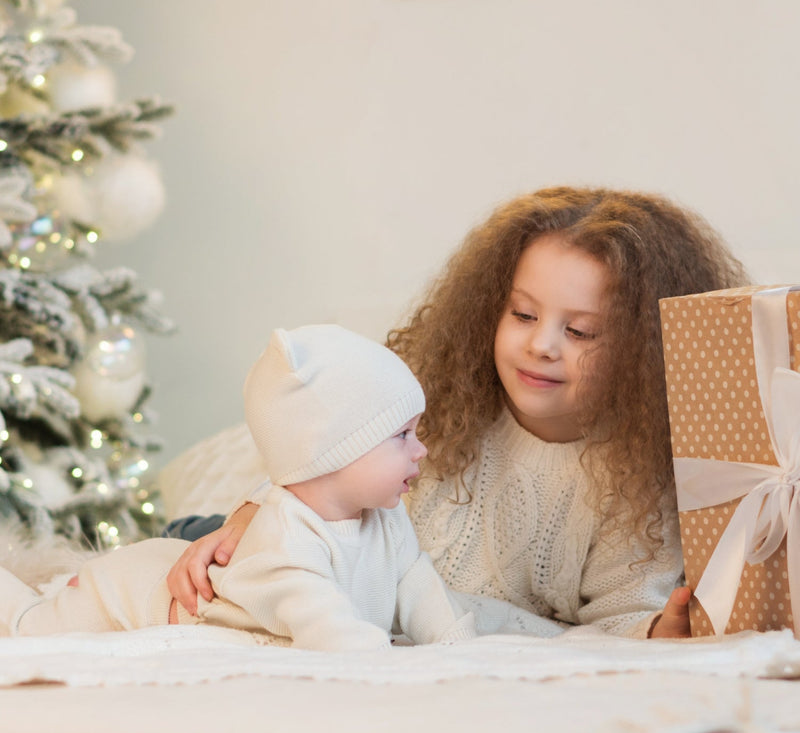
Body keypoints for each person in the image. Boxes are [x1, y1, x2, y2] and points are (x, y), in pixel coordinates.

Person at [166, 186, 748, 639]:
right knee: (172, 549)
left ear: (643, 351)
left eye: (580, 330)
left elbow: (621, 614)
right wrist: (249, 513)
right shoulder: (436, 397)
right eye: (522, 315)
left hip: (400, 612)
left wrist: (656, 630)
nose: (542, 344)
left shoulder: (636, 483)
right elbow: (317, 450)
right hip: (314, 550)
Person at [0, 325, 477, 651]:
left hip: (163, 562)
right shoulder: (283, 544)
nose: (421, 451)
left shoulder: (385, 516)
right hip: (130, 593)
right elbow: (336, 638)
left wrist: (458, 648)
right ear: (332, 452)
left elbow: (418, 585)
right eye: (402, 436)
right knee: (29, 626)